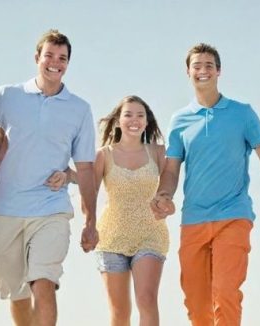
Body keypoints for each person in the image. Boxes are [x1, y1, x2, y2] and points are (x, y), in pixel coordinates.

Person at [151, 43, 260, 326]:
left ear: (218, 71)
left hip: (233, 215)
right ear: (188, 72)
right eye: (197, 66)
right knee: (196, 302)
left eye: (208, 65)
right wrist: (164, 194)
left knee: (226, 292)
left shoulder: (242, 113)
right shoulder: (179, 120)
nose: (203, 71)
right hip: (193, 219)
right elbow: (171, 168)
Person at [0, 29, 98, 326]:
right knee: (17, 291)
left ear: (68, 64)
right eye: (49, 55)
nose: (55, 63)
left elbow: (86, 168)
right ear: (37, 58)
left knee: (44, 281)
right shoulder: (5, 97)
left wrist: (90, 221)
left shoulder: (79, 109)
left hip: (51, 209)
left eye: (62, 58)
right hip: (7, 209)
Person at [93, 95, 169, 326]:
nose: (134, 120)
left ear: (147, 122)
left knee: (146, 300)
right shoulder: (104, 154)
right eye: (128, 114)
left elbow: (167, 188)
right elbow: (89, 191)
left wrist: (165, 204)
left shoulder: (157, 152)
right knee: (120, 313)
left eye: (140, 115)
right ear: (117, 121)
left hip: (150, 234)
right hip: (111, 238)